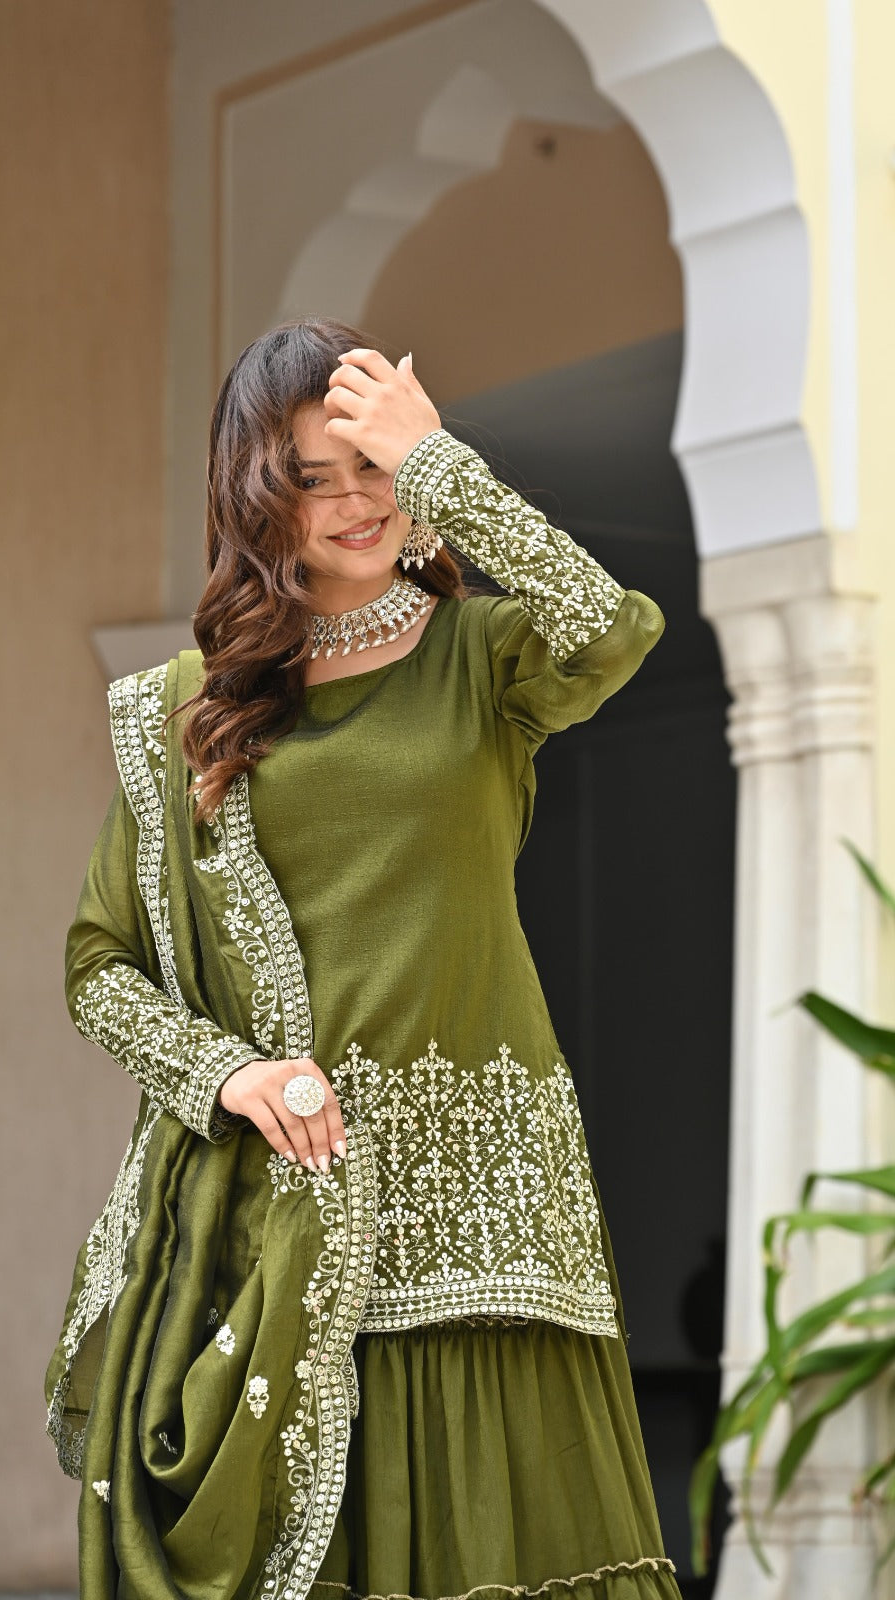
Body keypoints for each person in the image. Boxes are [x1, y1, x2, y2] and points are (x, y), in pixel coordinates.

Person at [44, 317, 680, 1600]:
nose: (353, 501)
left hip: (479, 1206)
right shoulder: (182, 711)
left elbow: (609, 630)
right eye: (310, 474)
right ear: (250, 496)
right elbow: (99, 963)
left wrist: (437, 455)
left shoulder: (482, 657)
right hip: (274, 1211)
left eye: (371, 467)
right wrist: (236, 1078)